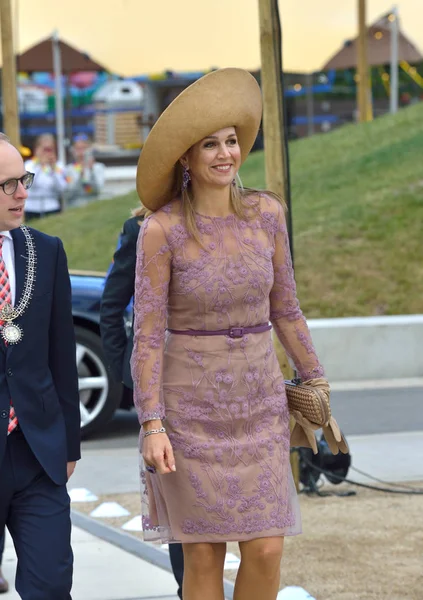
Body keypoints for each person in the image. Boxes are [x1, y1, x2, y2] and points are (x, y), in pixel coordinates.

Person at [130, 68, 329, 600]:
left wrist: (316, 379)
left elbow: (287, 308)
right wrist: (152, 424)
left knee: (266, 549)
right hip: (189, 410)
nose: (225, 154)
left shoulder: (267, 215)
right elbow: (147, 336)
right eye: (211, 144)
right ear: (186, 159)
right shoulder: (161, 230)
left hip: (259, 400)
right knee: (203, 553)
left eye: (233, 141)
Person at [0, 132, 80, 598]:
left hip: (37, 454)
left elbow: (60, 353)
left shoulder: (45, 250)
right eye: (8, 184)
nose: (24, 193)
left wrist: (68, 444)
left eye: (23, 180)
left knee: (51, 584)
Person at [99, 210, 185, 599]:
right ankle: (189, 589)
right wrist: (125, 372)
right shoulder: (139, 227)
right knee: (180, 502)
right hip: (161, 388)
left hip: (223, 383)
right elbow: (112, 305)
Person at [24, 133, 68, 219]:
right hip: (31, 208)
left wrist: (53, 170)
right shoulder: (29, 165)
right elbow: (28, 185)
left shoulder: (58, 166)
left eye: (50, 149)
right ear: (37, 150)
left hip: (52, 207)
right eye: (45, 149)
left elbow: (62, 188)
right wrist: (40, 166)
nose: (47, 153)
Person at [65, 134, 105, 206]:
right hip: (74, 207)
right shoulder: (68, 169)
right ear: (73, 151)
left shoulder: (98, 167)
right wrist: (81, 176)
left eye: (84, 148)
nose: (81, 152)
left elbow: (97, 191)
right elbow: (70, 194)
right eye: (78, 149)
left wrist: (91, 170)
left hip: (92, 206)